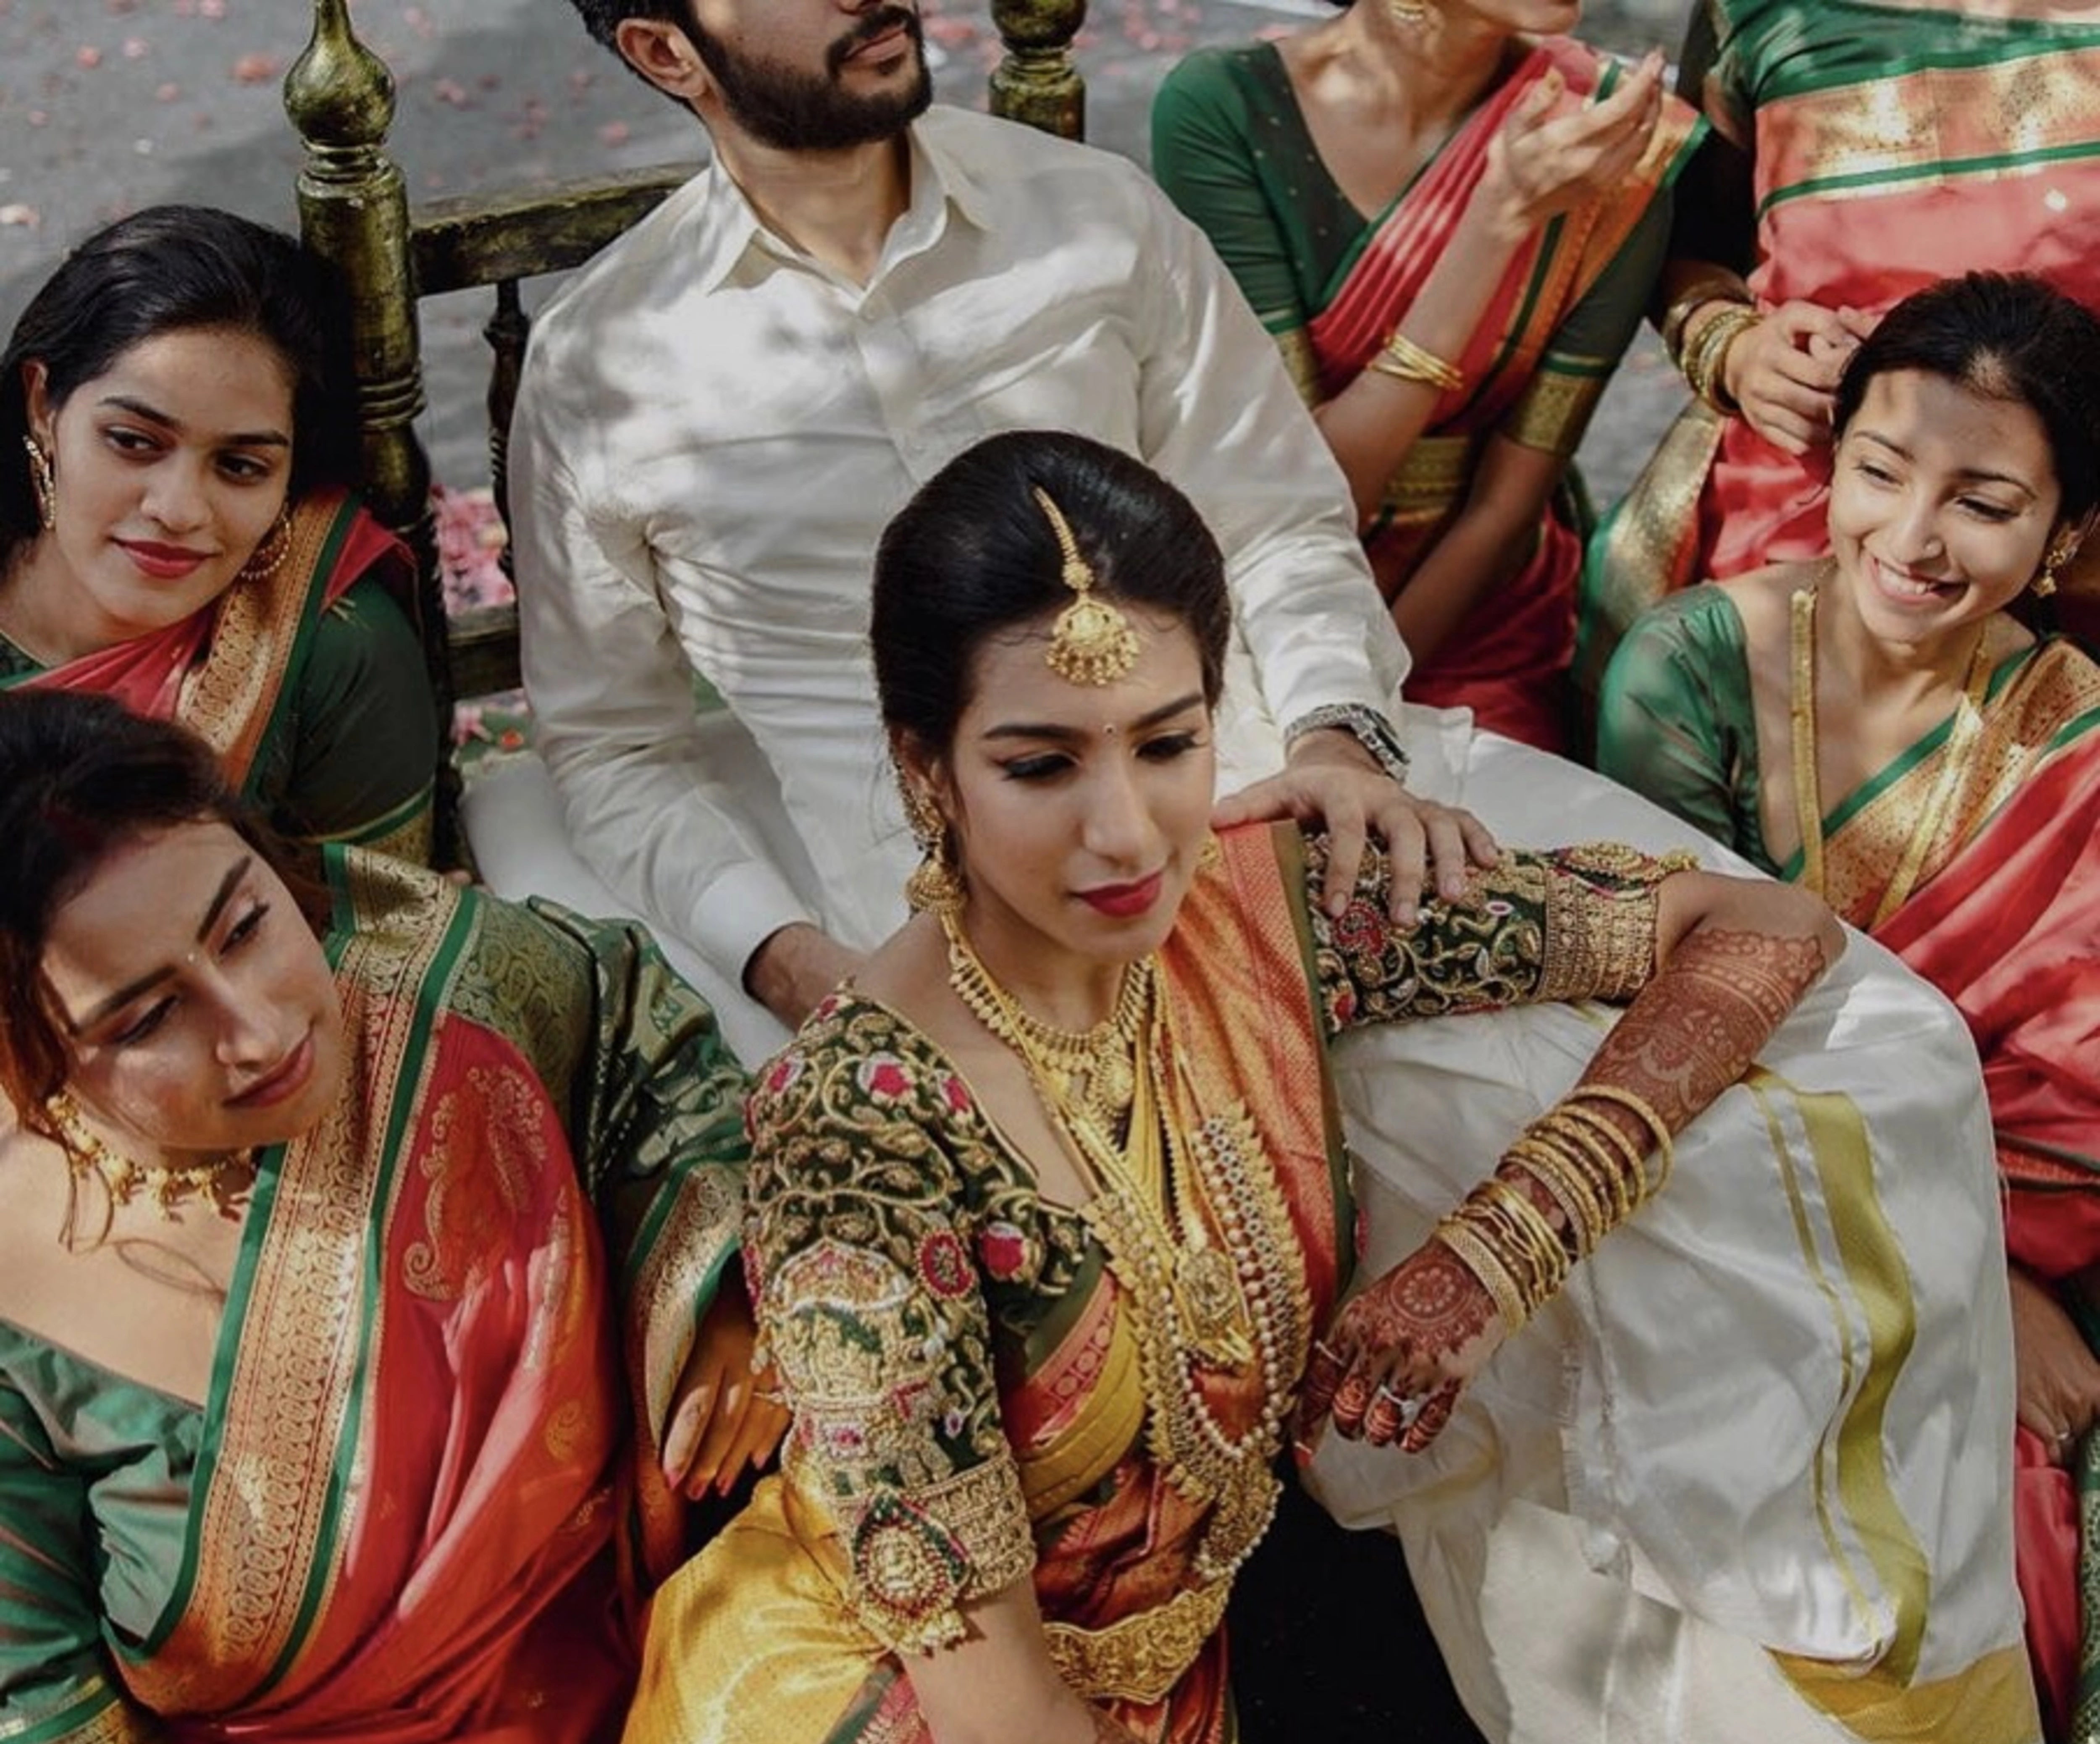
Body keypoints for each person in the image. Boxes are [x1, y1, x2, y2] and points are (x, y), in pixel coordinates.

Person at [577, 429, 2080, 1744]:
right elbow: (993, 1724)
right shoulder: (862, 1140)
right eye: (1036, 762)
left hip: (1157, 1724)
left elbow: (1761, 931)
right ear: (920, 766)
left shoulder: (1256, 911)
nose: (1118, 830)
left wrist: (1495, 1248)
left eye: (1164, 741)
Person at [0, 694, 769, 1744]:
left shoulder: (448, 985)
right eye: (146, 1019)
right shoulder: (13, 1351)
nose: (256, 1029)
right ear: (31, 1072)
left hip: (684, 1738)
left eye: (242, 926)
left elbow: (648, 1046)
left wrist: (723, 1298)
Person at [513, 0, 1496, 1044]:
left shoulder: (1093, 217)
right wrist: (800, 969)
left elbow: (1274, 520)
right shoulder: (605, 368)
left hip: (1276, 822)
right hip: (955, 956)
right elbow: (613, 746)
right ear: (668, 51)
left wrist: (1338, 739)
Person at [1597, 269, 2100, 1744]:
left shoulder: (2071, 738)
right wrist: (1978, 1278)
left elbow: (2069, 1064)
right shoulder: (1693, 670)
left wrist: (2017, 1262)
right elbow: (1659, 1033)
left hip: (2026, 1235)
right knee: (1925, 1444)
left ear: (2059, 536)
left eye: (1982, 501)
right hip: (1716, 1211)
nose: (1912, 532)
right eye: (1881, 467)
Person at [1151, 0, 1696, 753]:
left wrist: (1369, 707)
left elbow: (1507, 507)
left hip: (1484, 612)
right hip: (1265, 599)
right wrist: (1495, 219)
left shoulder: (1605, 133)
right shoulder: (1225, 110)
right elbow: (1304, 488)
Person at [1580, 0, 2100, 681]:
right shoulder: (1757, 13)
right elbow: (1689, 246)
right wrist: (1736, 353)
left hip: (2074, 545)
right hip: (1807, 522)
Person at [0, 205, 439, 862]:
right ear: (43, 406)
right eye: (133, 442)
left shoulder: (332, 655)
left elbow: (380, 935)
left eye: (241, 467)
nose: (178, 510)